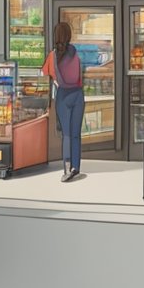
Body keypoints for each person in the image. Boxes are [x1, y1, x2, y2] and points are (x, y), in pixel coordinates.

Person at [42, 21, 85, 182]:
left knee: (66, 134)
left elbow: (44, 73)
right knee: (76, 134)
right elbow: (81, 75)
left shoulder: (52, 56)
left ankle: (66, 168)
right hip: (78, 95)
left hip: (63, 96)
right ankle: (76, 167)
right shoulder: (76, 53)